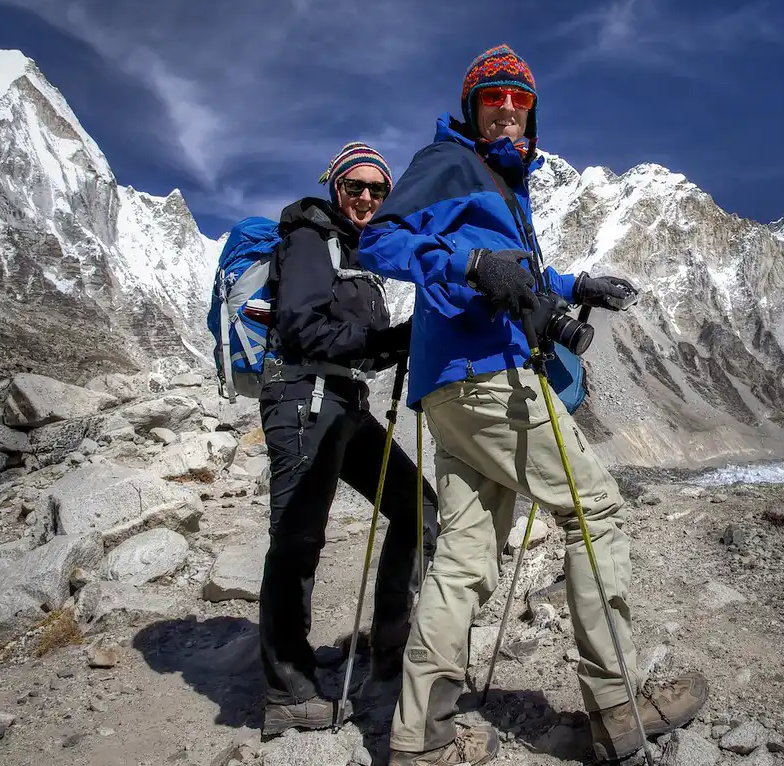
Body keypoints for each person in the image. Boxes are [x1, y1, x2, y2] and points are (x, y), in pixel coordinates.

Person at [358, 45, 708, 765]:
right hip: (488, 375)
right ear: (472, 109)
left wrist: (576, 286)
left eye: (520, 102)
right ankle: (617, 710)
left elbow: (515, 273)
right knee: (595, 510)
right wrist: (469, 265)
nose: (509, 109)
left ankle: (419, 737)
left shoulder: (501, 184)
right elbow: (382, 239)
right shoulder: (451, 163)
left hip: (448, 388)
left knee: (463, 554)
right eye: (494, 100)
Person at [256, 141, 440, 738]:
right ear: (334, 187)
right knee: (298, 539)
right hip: (303, 401)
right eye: (353, 187)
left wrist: (402, 341)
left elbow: (359, 340)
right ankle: (289, 690)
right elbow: (302, 326)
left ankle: (392, 644)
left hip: (344, 404)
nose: (365, 198)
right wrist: (387, 342)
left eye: (377, 190)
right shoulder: (312, 240)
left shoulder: (361, 257)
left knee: (418, 507)